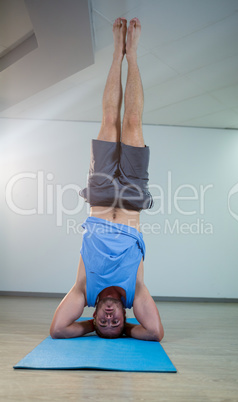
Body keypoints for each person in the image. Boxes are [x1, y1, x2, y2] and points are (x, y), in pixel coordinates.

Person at [50, 17, 164, 341]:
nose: (110, 319)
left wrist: (90, 328)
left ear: (96, 314)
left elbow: (58, 329)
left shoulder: (83, 291)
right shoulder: (135, 293)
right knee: (132, 121)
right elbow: (155, 331)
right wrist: (127, 331)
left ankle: (117, 54)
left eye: (104, 322)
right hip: (131, 200)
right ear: (126, 315)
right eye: (117, 323)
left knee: (108, 122)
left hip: (99, 199)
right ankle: (133, 55)